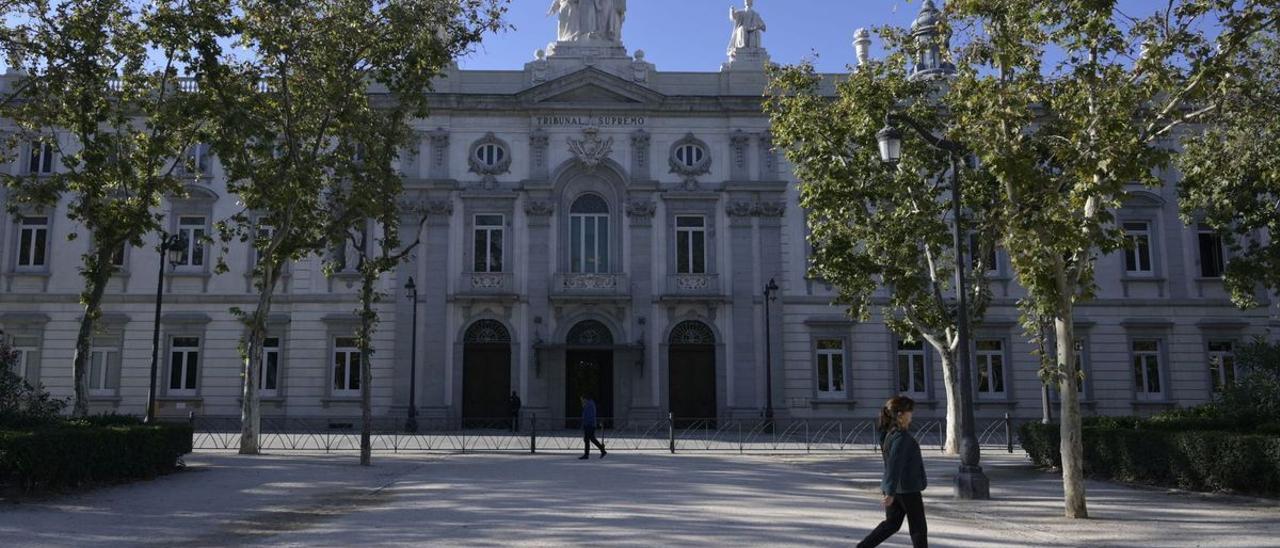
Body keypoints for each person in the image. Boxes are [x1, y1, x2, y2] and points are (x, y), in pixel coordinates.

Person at [858, 396, 928, 548]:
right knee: (918, 528)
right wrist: (890, 493)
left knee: (892, 524)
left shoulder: (889, 433)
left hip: (896, 488)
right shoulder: (901, 438)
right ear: (900, 415)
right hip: (907, 489)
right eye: (910, 412)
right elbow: (894, 465)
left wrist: (890, 490)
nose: (912, 415)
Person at [579, 395, 607, 459]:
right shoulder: (589, 404)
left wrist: (585, 424)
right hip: (590, 424)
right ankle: (602, 450)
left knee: (588, 439)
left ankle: (587, 454)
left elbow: (588, 416)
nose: (581, 401)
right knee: (590, 439)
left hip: (589, 425)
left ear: (585, 399)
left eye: (582, 399)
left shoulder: (589, 405)